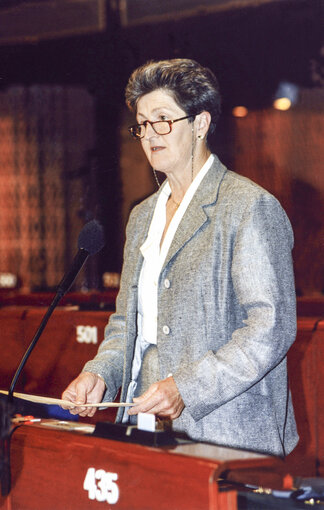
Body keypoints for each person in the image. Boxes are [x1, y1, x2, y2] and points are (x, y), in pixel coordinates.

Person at [62, 58, 298, 456]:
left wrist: (186, 388)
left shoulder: (248, 207)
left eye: (163, 119)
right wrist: (99, 374)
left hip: (226, 434)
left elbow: (269, 328)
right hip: (141, 425)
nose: (150, 134)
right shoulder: (141, 217)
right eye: (142, 123)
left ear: (201, 124)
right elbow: (126, 323)